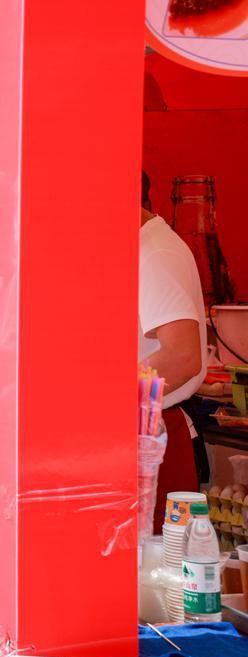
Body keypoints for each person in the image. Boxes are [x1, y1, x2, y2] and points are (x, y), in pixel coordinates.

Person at [139, 171, 207, 528]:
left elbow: (182, 357)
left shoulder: (155, 253)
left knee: (153, 567)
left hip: (153, 437)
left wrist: (99, 401)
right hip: (142, 431)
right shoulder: (140, 247)